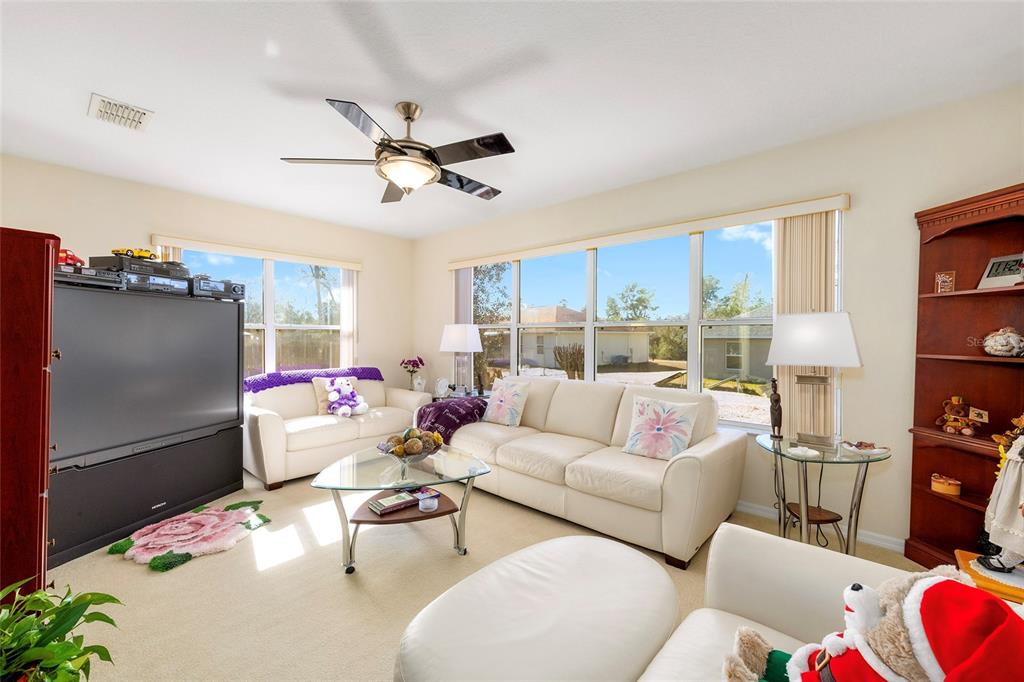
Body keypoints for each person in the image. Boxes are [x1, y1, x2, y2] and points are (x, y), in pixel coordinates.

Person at [980, 435, 1024, 572]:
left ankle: (1011, 558)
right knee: (1009, 516)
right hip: (1014, 483)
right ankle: (1004, 554)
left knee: (1018, 521)